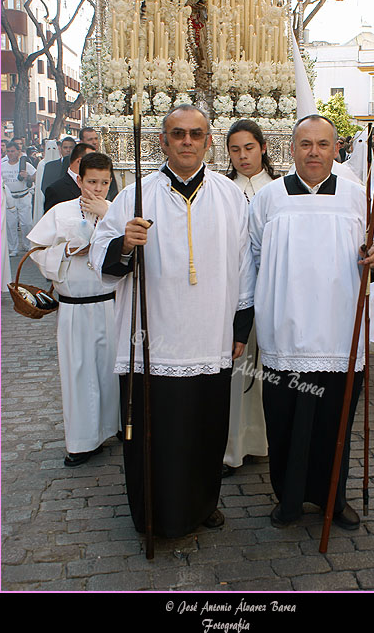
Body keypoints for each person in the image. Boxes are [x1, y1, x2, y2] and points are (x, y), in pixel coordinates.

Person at [89, 104, 256, 539]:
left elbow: (245, 266)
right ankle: (154, 513)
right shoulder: (135, 196)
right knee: (153, 434)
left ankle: (202, 505)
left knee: (205, 428)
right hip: (153, 340)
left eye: (195, 134)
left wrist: (240, 329)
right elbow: (99, 257)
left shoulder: (228, 195)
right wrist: (125, 243)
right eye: (177, 134)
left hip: (210, 336)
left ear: (208, 141)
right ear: (162, 141)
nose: (186, 141)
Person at [249, 114, 374, 531]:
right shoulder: (269, 199)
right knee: (284, 420)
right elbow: (253, 257)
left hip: (338, 330)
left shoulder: (358, 197)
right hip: (285, 330)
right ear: (291, 149)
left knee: (335, 422)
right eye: (306, 144)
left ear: (336, 148)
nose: (314, 152)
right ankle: (288, 499)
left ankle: (334, 496)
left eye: (323, 144)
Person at [27, 152, 120, 467]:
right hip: (74, 307)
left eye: (104, 183)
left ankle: (114, 426)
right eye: (91, 181)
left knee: (111, 370)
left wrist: (108, 213)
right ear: (79, 180)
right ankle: (81, 441)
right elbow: (37, 251)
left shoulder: (116, 210)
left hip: (108, 304)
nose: (97, 188)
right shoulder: (60, 212)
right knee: (78, 371)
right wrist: (65, 250)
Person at [222, 120, 279, 477]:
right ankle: (232, 448)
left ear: (263, 148)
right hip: (234, 293)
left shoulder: (280, 191)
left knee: (269, 371)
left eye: (249, 148)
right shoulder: (222, 190)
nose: (243, 156)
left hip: (274, 292)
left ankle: (267, 441)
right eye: (235, 149)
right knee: (236, 369)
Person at [1, 141, 36, 255]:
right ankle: (13, 248)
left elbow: (36, 175)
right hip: (9, 198)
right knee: (11, 224)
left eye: (13, 151)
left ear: (18, 152)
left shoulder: (25, 165)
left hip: (24, 196)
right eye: (8, 151)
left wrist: (28, 177)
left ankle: (27, 245)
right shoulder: (2, 166)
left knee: (26, 223)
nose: (10, 154)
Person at [44, 142, 95, 212]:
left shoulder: (96, 185)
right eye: (92, 161)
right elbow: (50, 219)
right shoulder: (56, 190)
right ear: (80, 161)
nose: (95, 165)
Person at [80, 128, 119, 201]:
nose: (94, 142)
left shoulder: (105, 161)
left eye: (96, 138)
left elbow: (113, 191)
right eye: (90, 139)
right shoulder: (73, 159)